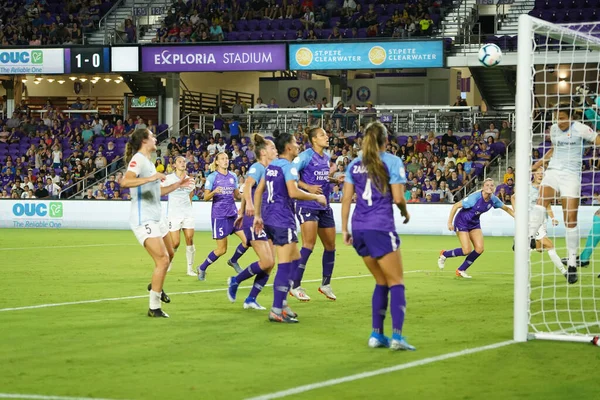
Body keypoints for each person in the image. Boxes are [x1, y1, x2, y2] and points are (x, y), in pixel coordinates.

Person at [341, 121, 415, 351]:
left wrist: (344, 229)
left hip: (359, 228)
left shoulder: (354, 164)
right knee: (396, 282)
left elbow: (345, 199)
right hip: (380, 227)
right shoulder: (392, 161)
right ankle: (397, 337)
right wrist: (405, 212)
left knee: (381, 280)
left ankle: (376, 335)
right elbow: (399, 198)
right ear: (386, 140)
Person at [253, 132, 327, 323]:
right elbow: (293, 192)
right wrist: (316, 197)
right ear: (288, 148)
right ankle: (277, 309)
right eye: (295, 143)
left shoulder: (271, 166)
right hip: (281, 220)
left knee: (295, 258)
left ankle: (283, 303)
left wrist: (258, 215)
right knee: (285, 265)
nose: (298, 145)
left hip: (269, 218)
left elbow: (259, 190)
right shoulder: (289, 167)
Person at [120, 128, 193, 318]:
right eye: (152, 136)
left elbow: (157, 193)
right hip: (143, 218)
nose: (155, 138)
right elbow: (125, 182)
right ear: (144, 141)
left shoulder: (150, 163)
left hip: (157, 217)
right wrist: (152, 178)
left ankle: (155, 285)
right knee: (162, 260)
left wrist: (178, 184)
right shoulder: (138, 160)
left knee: (170, 253)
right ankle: (154, 306)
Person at [529, 103, 600, 283]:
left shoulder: (582, 129)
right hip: (553, 171)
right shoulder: (553, 130)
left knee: (570, 219)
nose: (558, 122)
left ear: (570, 117)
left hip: (571, 175)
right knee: (541, 201)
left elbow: (597, 140)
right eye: (556, 118)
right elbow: (554, 149)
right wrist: (539, 164)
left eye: (561, 118)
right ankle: (529, 237)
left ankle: (573, 264)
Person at [288, 127, 342, 302]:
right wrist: (308, 187)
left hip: (324, 205)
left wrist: (334, 180)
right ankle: (295, 285)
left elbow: (321, 177)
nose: (326, 137)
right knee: (309, 245)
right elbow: (291, 174)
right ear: (313, 140)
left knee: (331, 246)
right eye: (322, 135)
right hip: (307, 204)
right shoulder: (304, 156)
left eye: (326, 134)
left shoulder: (326, 158)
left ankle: (325, 284)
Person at [226, 134, 279, 310]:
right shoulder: (258, 167)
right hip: (255, 219)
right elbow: (247, 186)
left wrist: (241, 211)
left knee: (270, 264)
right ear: (263, 152)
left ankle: (251, 299)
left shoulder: (271, 168)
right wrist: (247, 206)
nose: (275, 150)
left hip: (267, 219)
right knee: (266, 261)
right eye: (272, 148)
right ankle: (235, 280)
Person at [438, 178, 515, 278]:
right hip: (462, 222)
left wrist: (518, 217)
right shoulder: (474, 198)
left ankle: (461, 270)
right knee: (466, 250)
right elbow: (456, 206)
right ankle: (444, 254)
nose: (489, 187)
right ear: (483, 187)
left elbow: (507, 209)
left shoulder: (494, 199)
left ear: (494, 188)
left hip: (474, 223)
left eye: (492, 185)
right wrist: (449, 222)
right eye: (487, 185)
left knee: (479, 249)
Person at [511, 168, 572, 282]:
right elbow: (513, 197)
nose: (540, 175)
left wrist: (553, 218)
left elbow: (547, 205)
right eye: (538, 173)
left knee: (539, 249)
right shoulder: (527, 187)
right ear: (533, 175)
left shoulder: (545, 189)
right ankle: (565, 272)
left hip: (542, 221)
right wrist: (517, 213)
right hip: (532, 221)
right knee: (550, 245)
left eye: (542, 173)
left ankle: (521, 244)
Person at [196, 152, 249, 281]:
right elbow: (205, 198)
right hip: (219, 217)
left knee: (248, 240)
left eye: (227, 158)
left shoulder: (232, 176)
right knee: (221, 249)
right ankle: (202, 267)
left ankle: (233, 260)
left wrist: (247, 196)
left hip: (233, 215)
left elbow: (236, 195)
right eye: (222, 159)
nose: (226, 161)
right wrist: (214, 191)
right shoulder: (212, 177)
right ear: (217, 162)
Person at [162, 156, 197, 277]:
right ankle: (169, 261)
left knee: (189, 239)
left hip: (187, 213)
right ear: (174, 165)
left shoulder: (191, 180)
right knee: (175, 243)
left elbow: (190, 197)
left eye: (184, 162)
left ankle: (190, 269)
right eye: (179, 162)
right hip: (174, 214)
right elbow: (162, 190)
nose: (182, 163)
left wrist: (190, 211)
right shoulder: (168, 178)